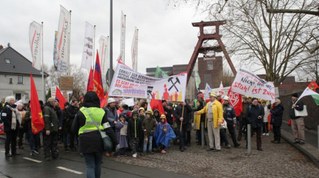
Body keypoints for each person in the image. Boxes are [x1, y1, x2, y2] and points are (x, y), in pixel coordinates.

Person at [72, 91, 114, 178]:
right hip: (99, 140)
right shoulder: (101, 111)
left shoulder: (81, 111)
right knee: (98, 164)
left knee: (90, 165)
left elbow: (73, 129)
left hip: (85, 140)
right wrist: (114, 141)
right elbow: (107, 127)